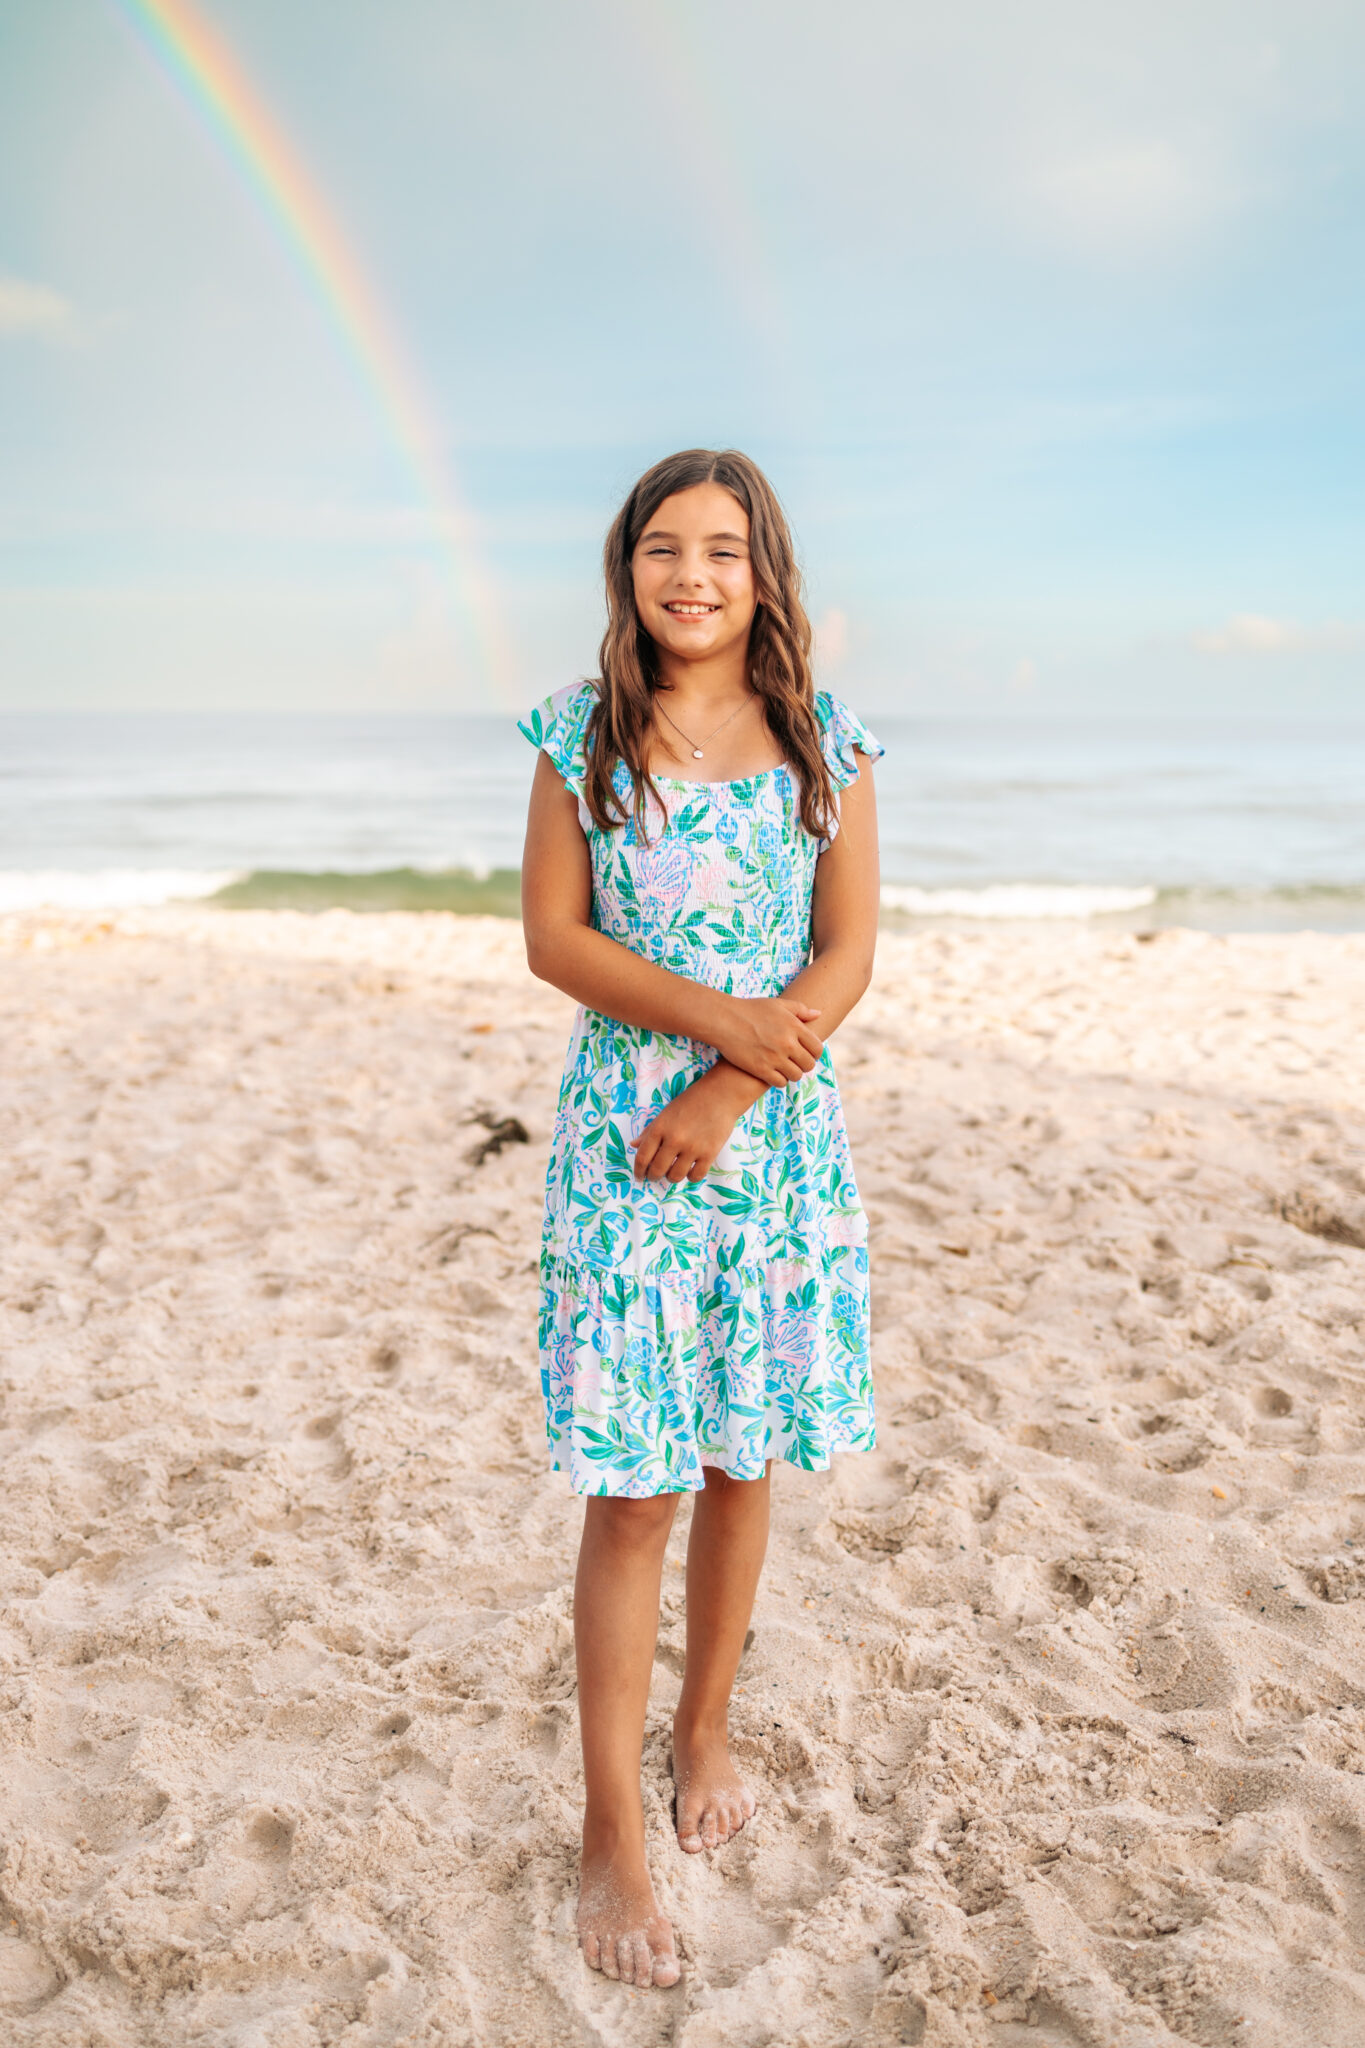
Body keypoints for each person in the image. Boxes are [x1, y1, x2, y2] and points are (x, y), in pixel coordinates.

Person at [518, 447, 882, 1989]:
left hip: (772, 1157)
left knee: (742, 1459)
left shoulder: (826, 743)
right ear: (629, 571)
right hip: (626, 1154)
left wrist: (732, 1085)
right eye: (662, 548)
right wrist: (719, 1029)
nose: (690, 575)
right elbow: (553, 939)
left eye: (721, 550)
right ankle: (610, 1827)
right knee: (636, 1487)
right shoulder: (580, 735)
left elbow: (847, 954)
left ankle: (704, 1723)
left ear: (761, 572)